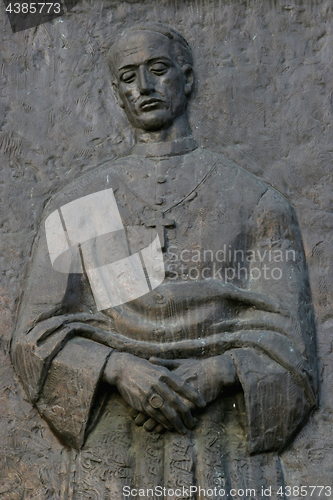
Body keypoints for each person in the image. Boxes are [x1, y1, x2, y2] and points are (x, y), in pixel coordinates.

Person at [11, 23, 317, 499]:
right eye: (129, 77)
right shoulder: (79, 202)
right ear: (116, 92)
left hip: (224, 450)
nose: (144, 87)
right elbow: (34, 337)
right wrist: (116, 368)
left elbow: (292, 343)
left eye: (158, 70)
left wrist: (219, 372)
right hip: (112, 453)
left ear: (188, 78)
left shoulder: (255, 200)